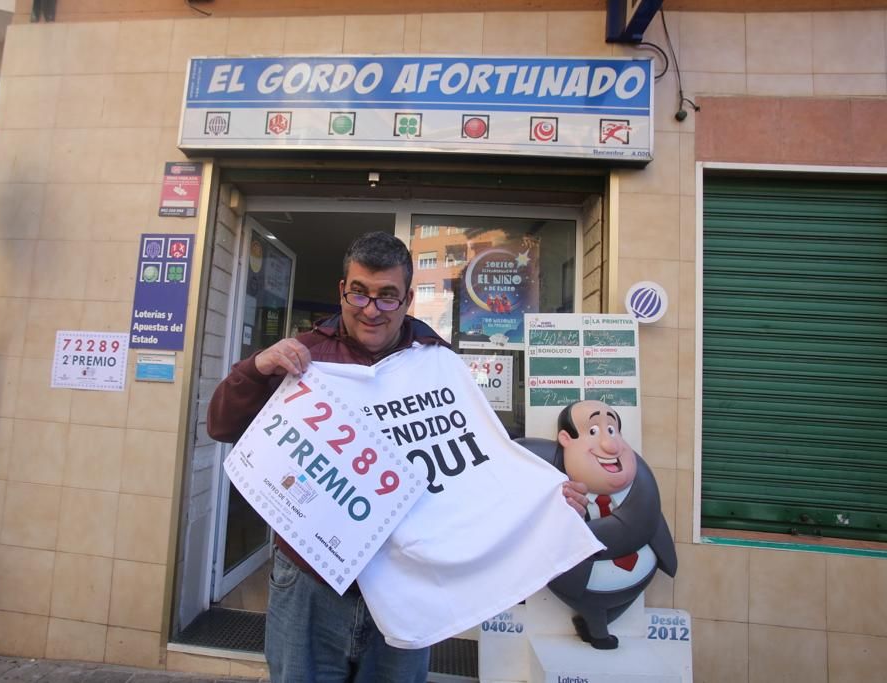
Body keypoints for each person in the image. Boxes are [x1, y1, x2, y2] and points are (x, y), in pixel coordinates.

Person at [208, 232, 588, 681]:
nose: (371, 309)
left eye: (387, 296)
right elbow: (222, 426)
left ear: (408, 299)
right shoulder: (302, 359)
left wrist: (543, 499)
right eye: (360, 292)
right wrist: (255, 369)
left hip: (410, 582)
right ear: (342, 291)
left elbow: (480, 463)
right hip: (312, 581)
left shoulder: (437, 365)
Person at [519, 400, 677, 650]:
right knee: (593, 606)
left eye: (612, 430)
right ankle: (597, 625)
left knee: (616, 602)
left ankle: (601, 622)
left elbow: (649, 520)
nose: (609, 444)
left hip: (638, 576)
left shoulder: (640, 490)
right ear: (565, 438)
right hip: (584, 583)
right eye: (593, 431)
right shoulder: (565, 491)